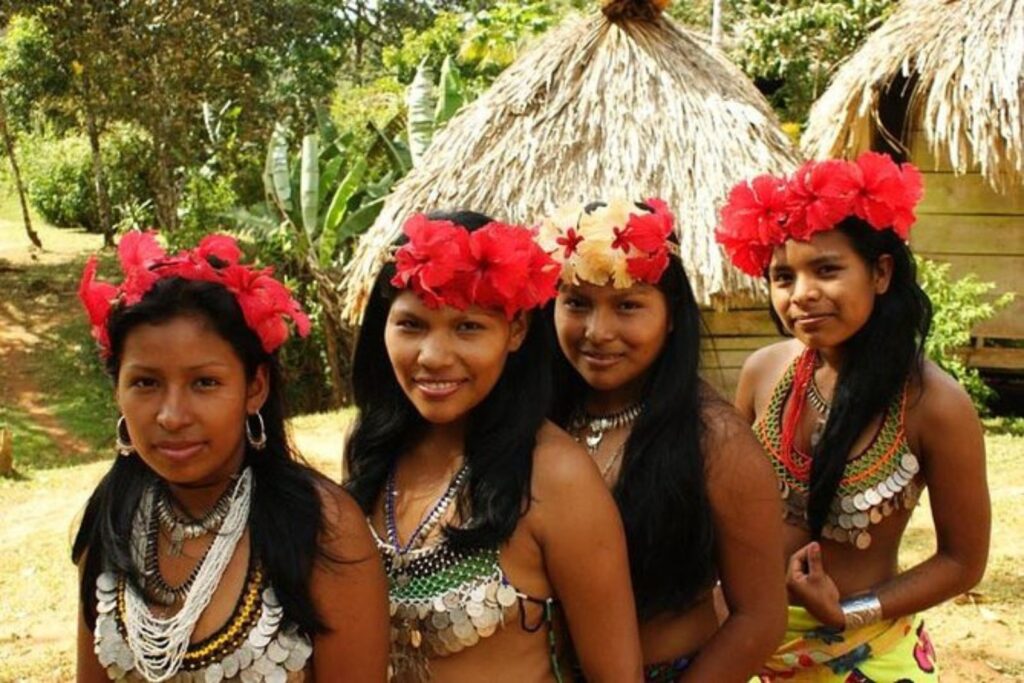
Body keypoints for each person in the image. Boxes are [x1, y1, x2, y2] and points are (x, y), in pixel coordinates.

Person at [718, 152, 991, 681]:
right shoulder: (763, 371)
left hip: (866, 655)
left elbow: (962, 561)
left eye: (826, 269)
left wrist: (850, 610)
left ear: (881, 272)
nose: (801, 295)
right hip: (742, 644)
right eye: (782, 276)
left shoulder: (935, 404)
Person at [73, 232, 389, 682]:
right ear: (117, 390)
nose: (172, 415)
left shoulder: (324, 531)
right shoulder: (112, 521)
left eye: (204, 383)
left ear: (254, 387)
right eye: (145, 383)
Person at [345, 211, 644, 682]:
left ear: (517, 331)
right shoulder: (371, 455)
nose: (433, 357)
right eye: (410, 325)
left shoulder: (555, 477)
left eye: (468, 328)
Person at [539, 196, 787, 682]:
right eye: (577, 304)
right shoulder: (536, 421)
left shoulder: (715, 442)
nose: (598, 331)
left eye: (628, 306)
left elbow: (759, 618)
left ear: (672, 316)